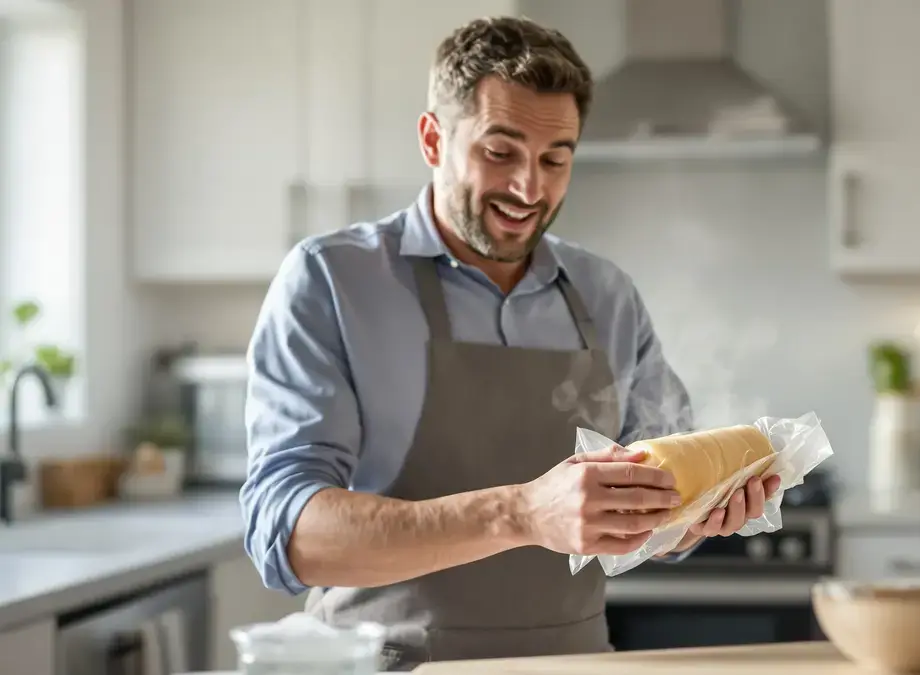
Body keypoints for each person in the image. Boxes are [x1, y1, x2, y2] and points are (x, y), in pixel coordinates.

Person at [240, 15, 782, 671]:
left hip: (576, 665)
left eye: (556, 159)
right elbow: (289, 535)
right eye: (500, 152)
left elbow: (645, 520)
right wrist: (520, 511)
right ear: (433, 139)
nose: (530, 189)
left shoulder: (605, 294)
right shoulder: (332, 280)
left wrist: (689, 518)